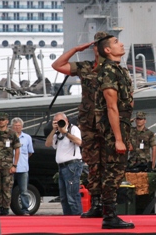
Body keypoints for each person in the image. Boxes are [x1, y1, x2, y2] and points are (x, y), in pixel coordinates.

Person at [51, 31, 109, 218]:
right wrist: (76, 49)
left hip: (107, 122)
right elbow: (57, 65)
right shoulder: (85, 67)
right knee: (93, 165)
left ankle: (110, 208)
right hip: (89, 124)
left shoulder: (113, 69)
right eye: (95, 45)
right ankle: (96, 205)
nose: (97, 49)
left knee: (109, 165)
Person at [94, 34, 134, 229]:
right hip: (113, 129)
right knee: (113, 171)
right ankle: (109, 216)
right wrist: (118, 139)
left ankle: (110, 213)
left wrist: (127, 137)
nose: (122, 43)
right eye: (117, 42)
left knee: (118, 171)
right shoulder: (108, 71)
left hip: (122, 126)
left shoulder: (120, 70)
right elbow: (112, 107)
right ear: (107, 50)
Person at [45, 112, 83, 215]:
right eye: (56, 122)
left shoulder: (73, 129)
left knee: (72, 196)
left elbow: (79, 142)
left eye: (61, 121)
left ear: (66, 121)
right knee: (63, 197)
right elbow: (47, 144)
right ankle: (67, 219)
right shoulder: (57, 133)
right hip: (61, 167)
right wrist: (54, 130)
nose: (59, 124)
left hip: (72, 166)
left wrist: (65, 132)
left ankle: (77, 217)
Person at [0, 112, 21, 216]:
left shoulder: (12, 134)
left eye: (3, 120)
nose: (1, 121)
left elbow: (17, 150)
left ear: (7, 121)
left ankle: (5, 209)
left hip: (7, 167)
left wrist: (14, 165)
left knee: (6, 189)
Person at [11, 117, 34, 216]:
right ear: (12, 127)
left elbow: (30, 152)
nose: (17, 127)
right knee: (7, 190)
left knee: (24, 191)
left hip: (23, 168)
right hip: (10, 168)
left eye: (19, 126)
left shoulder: (27, 137)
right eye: (15, 126)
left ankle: (25, 209)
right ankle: (5, 209)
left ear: (22, 126)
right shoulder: (8, 137)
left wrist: (23, 160)